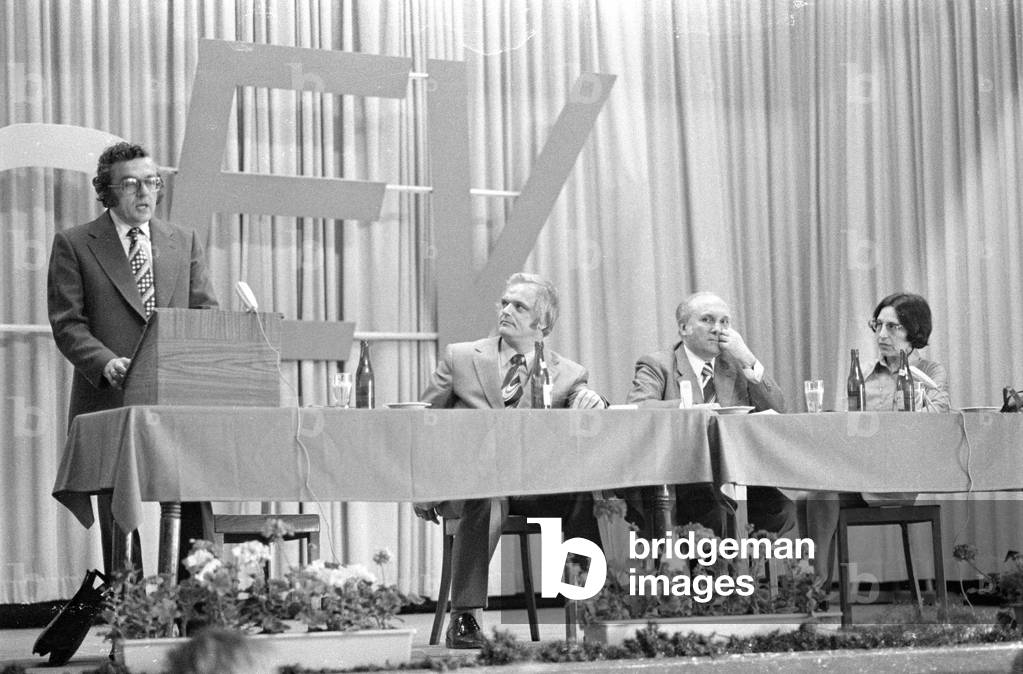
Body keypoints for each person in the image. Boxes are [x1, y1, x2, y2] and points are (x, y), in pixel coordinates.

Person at [47, 141, 218, 575]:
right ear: (106, 191)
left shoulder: (183, 241)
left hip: (176, 401)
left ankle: (196, 622)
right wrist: (105, 362)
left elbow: (205, 313)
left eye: (152, 182)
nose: (145, 193)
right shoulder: (74, 244)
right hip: (110, 400)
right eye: (130, 184)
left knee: (192, 506)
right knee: (119, 519)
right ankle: (131, 622)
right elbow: (69, 324)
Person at [414, 272, 607, 649]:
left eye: (519, 306)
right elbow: (424, 423)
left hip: (532, 485)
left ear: (543, 323)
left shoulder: (568, 372)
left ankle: (589, 606)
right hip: (473, 485)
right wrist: (424, 487)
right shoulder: (462, 358)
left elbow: (583, 398)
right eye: (504, 303)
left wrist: (594, 400)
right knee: (486, 495)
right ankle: (466, 618)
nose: (506, 310)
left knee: (582, 494)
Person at [806, 292, 951, 592]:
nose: (882, 335)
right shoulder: (865, 375)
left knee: (821, 495)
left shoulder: (931, 373)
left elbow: (936, 417)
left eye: (893, 327)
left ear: (914, 332)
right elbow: (850, 429)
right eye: (878, 325)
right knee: (810, 497)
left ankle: (814, 588)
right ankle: (814, 589)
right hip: (859, 474)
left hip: (899, 478)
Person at [625, 291, 796, 536]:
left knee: (783, 511)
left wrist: (748, 359)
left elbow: (779, 410)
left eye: (724, 322)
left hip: (736, 475)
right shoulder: (658, 364)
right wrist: (688, 410)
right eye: (707, 320)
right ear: (684, 328)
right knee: (717, 514)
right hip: (684, 480)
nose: (718, 329)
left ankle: (750, 572)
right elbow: (637, 409)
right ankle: (717, 573)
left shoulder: (736, 364)